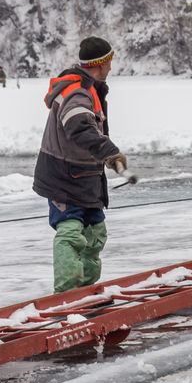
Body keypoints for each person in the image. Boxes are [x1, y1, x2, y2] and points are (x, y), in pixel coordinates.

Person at [33, 36, 126, 293]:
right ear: (101, 64)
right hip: (64, 178)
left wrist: (105, 156)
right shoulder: (77, 93)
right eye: (109, 62)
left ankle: (84, 292)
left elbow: (89, 132)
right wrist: (110, 152)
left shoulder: (90, 90)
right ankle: (64, 296)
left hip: (85, 177)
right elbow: (79, 128)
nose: (110, 68)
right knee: (71, 233)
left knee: (95, 235)